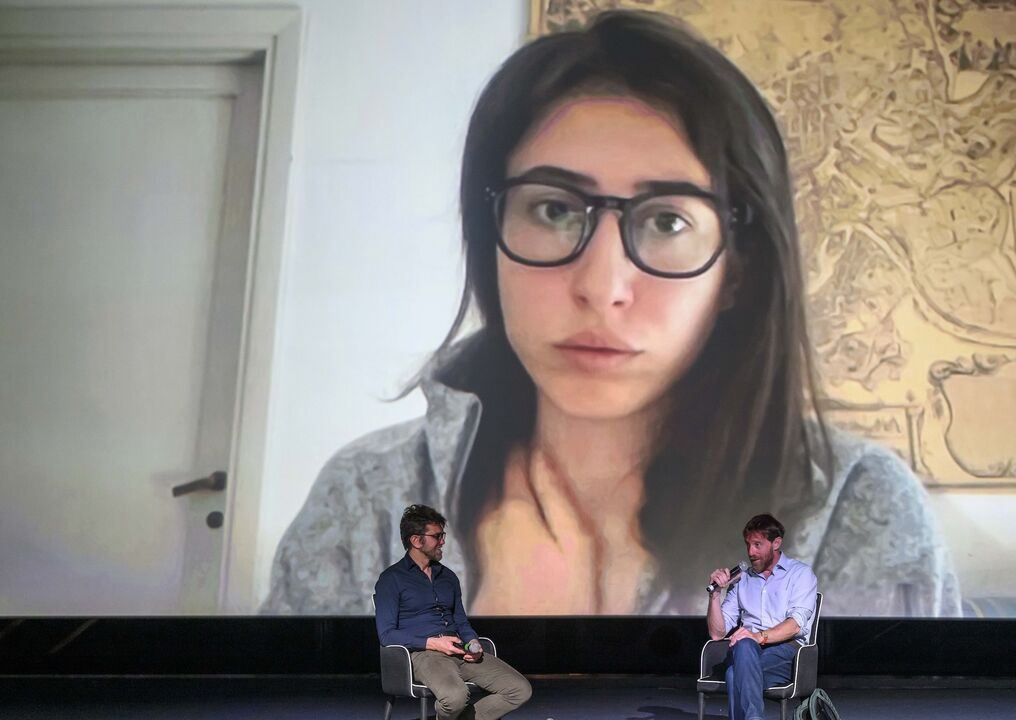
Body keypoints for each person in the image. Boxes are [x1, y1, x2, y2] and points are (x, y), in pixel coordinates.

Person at [265, 10, 959, 617]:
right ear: (490, 235)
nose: (602, 286)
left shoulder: (851, 511)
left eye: (666, 222)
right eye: (555, 209)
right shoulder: (369, 501)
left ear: (738, 269)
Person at [374, 505, 531, 720]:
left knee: (519, 689)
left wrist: (473, 643)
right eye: (437, 536)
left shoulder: (447, 577)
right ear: (416, 541)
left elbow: (461, 621)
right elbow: (387, 634)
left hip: (460, 650)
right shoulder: (391, 579)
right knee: (455, 697)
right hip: (424, 655)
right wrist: (433, 643)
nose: (442, 541)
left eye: (442, 535)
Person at [707, 514, 817, 720]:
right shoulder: (742, 580)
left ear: (776, 543)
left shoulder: (800, 574)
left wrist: (756, 637)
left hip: (787, 651)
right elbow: (717, 633)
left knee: (734, 672)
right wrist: (714, 596)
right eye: (748, 545)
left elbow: (795, 626)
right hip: (747, 652)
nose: (751, 552)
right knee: (742, 651)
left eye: (757, 545)